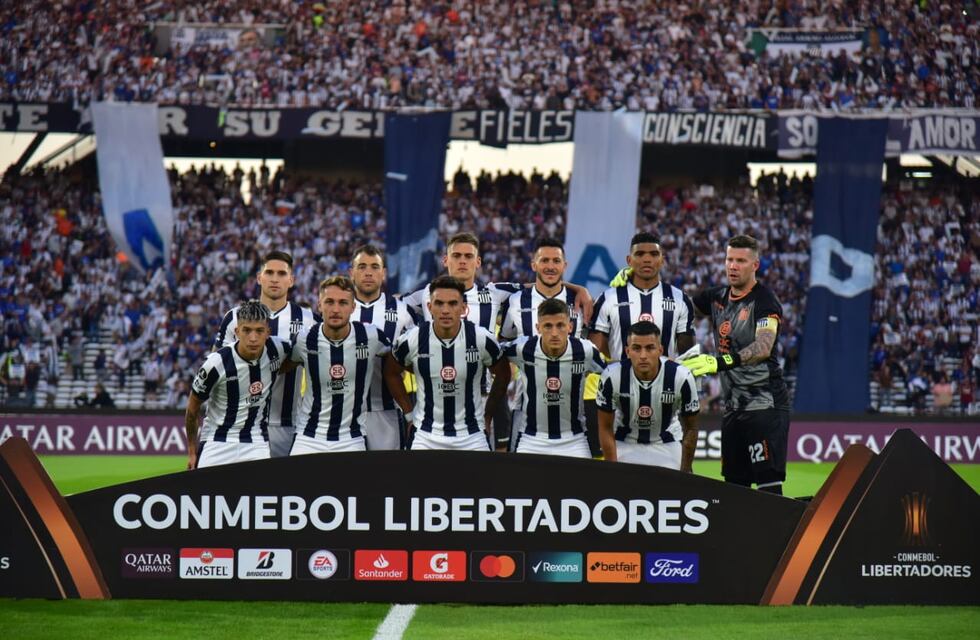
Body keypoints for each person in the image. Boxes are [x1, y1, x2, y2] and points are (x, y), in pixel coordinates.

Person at [681, 235, 790, 494]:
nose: (733, 266)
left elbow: (763, 347)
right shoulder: (717, 296)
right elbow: (678, 307)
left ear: (755, 265)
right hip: (733, 409)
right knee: (733, 487)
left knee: (768, 487)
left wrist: (720, 363)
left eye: (741, 261)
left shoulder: (765, 301)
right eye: (730, 259)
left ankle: (774, 534)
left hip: (764, 405)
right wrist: (636, 283)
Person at [384, 276, 511, 451]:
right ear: (429, 307)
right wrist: (408, 414)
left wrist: (488, 414)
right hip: (425, 435)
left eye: (452, 304)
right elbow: (391, 372)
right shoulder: (414, 338)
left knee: (480, 479)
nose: (445, 310)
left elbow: (503, 374)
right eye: (439, 303)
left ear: (463, 308)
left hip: (472, 436)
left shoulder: (480, 338)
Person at [213, 251, 317, 458]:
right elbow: (216, 368)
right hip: (239, 427)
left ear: (291, 280)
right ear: (259, 278)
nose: (275, 279)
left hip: (289, 425)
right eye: (269, 272)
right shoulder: (234, 317)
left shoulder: (309, 320)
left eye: (281, 273)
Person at [289, 276, 391, 455]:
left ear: (353, 307)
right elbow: (284, 365)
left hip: (352, 437)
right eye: (329, 302)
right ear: (319, 305)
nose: (335, 309)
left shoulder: (371, 336)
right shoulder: (305, 339)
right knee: (295, 484)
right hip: (308, 436)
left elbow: (396, 360)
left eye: (343, 303)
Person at [186, 300, 293, 469]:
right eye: (247, 330)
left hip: (256, 442)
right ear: (237, 332)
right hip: (216, 441)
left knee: (262, 494)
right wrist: (192, 452)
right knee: (208, 494)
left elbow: (301, 356)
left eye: (259, 331)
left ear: (268, 332)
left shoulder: (278, 349)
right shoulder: (216, 363)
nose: (253, 337)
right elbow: (192, 410)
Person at [502, 299, 606, 458]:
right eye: (548, 326)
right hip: (531, 439)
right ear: (538, 328)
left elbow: (612, 375)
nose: (555, 333)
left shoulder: (585, 351)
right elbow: (491, 354)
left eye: (560, 325)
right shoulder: (522, 348)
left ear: (570, 327)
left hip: (575, 439)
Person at [596, 321, 700, 470]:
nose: (643, 356)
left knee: (676, 492)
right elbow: (605, 428)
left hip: (667, 444)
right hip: (625, 444)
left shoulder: (681, 377)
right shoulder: (611, 376)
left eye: (650, 348)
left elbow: (692, 428)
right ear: (627, 351)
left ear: (660, 350)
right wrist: (613, 471)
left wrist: (685, 470)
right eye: (636, 348)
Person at [349, 245, 415, 450]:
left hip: (387, 411)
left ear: (384, 273)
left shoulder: (402, 311)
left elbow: (416, 357)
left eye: (374, 267)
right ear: (352, 273)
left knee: (387, 478)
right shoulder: (339, 308)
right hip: (345, 413)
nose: (368, 272)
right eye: (362, 267)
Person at [590, 231, 696, 361]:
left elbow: (689, 358)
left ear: (662, 259)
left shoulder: (680, 300)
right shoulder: (608, 299)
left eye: (654, 254)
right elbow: (595, 352)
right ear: (629, 260)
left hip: (665, 381)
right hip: (620, 380)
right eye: (639, 254)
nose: (647, 259)